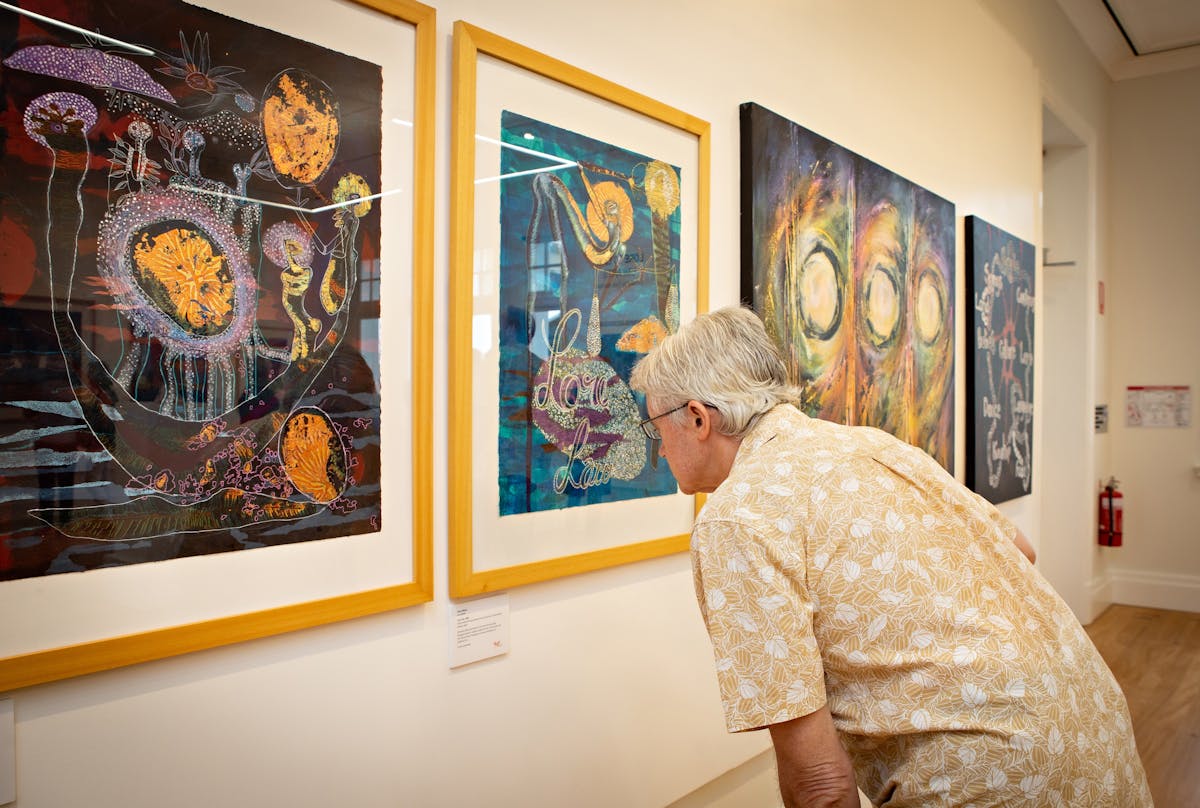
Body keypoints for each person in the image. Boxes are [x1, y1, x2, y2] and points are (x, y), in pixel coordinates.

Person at [629, 305, 1152, 808]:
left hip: (994, 778)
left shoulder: (735, 518)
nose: (659, 448)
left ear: (698, 418)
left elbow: (820, 785)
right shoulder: (873, 445)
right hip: (1095, 729)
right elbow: (1021, 550)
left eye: (658, 428)